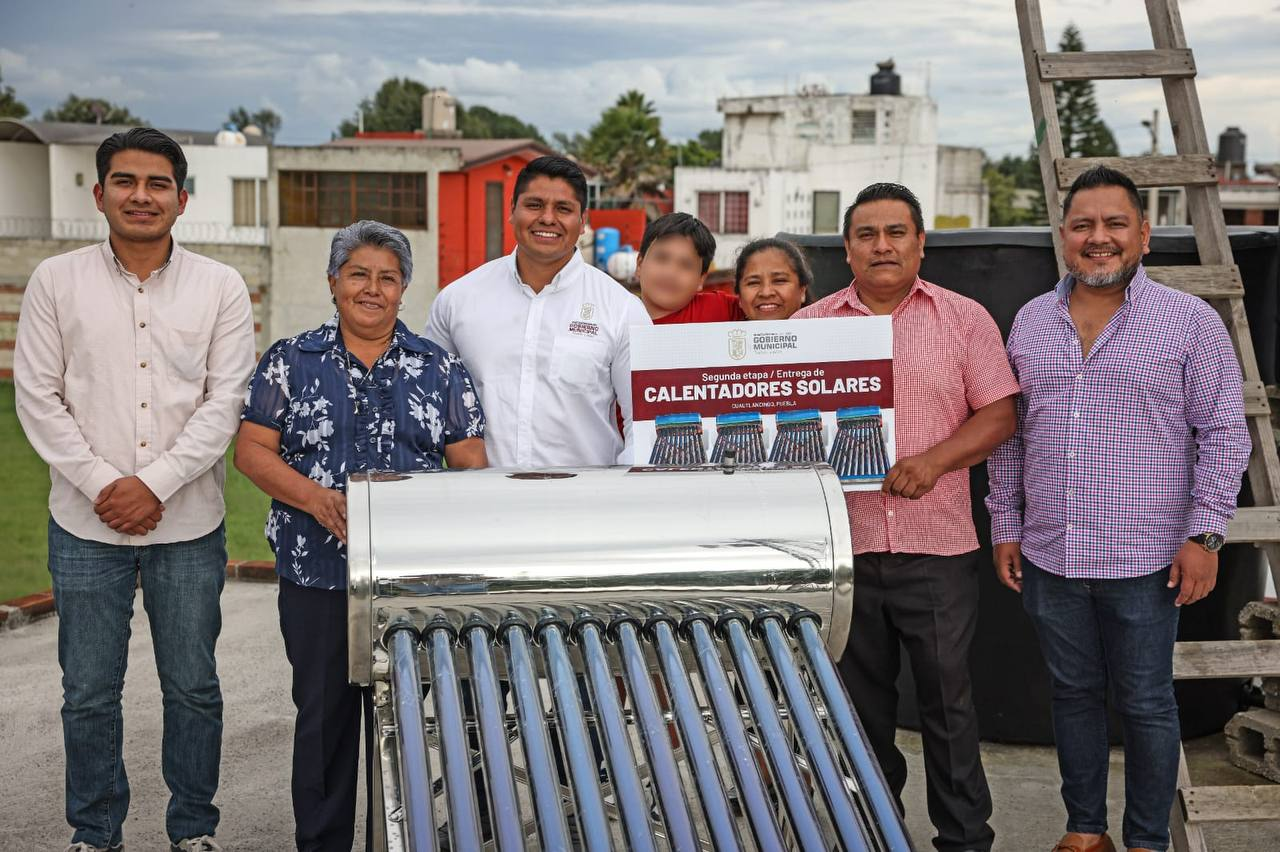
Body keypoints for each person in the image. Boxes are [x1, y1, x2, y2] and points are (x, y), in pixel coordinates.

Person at [986, 166, 1250, 852]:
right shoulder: (1031, 322)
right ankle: (1084, 831)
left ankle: (1145, 842)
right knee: (1072, 695)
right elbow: (1013, 431)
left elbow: (1224, 433)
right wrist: (1007, 524)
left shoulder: (1190, 322)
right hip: (1052, 551)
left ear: (1143, 236)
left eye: (1113, 225)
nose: (1097, 238)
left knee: (1147, 704)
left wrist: (1207, 535)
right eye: (1082, 226)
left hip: (1148, 559)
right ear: (1064, 238)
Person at [13, 128, 256, 852]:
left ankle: (193, 831)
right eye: (125, 181)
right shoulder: (57, 282)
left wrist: (152, 485)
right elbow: (37, 397)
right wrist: (103, 486)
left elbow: (225, 402)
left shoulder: (221, 286)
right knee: (88, 694)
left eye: (157, 184)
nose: (140, 196)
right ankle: (95, 833)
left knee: (193, 689)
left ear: (183, 199)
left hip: (188, 526)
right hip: (84, 528)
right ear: (99, 193)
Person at [235, 221, 487, 852]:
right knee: (324, 721)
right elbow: (251, 453)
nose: (372, 289)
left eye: (388, 278)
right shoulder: (290, 360)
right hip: (318, 574)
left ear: (404, 289)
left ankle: (406, 840)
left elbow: (472, 465)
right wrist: (316, 499)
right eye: (359, 274)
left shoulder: (440, 368)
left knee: (409, 720)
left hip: (412, 580)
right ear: (333, 281)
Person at [792, 182, 1019, 852]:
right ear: (847, 247)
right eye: (867, 234)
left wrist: (936, 460)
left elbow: (1001, 413)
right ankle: (876, 834)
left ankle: (965, 839)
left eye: (896, 232)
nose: (882, 246)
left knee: (947, 705)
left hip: (936, 546)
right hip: (844, 546)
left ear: (921, 242)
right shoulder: (810, 329)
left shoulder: (964, 319)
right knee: (860, 713)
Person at [425, 155, 651, 468]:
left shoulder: (622, 309)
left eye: (563, 209)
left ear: (582, 221)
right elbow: (427, 408)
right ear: (512, 211)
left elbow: (644, 424)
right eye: (534, 205)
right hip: (483, 505)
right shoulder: (457, 300)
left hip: (585, 506)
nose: (547, 218)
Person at [636, 212, 742, 324]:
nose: (670, 273)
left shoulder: (720, 309)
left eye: (686, 265)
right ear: (639, 264)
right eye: (661, 258)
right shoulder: (618, 317)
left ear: (701, 279)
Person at [735, 237, 810, 320]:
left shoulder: (823, 331)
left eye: (779, 281)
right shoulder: (723, 332)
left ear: (802, 291)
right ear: (740, 297)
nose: (766, 293)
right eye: (753, 283)